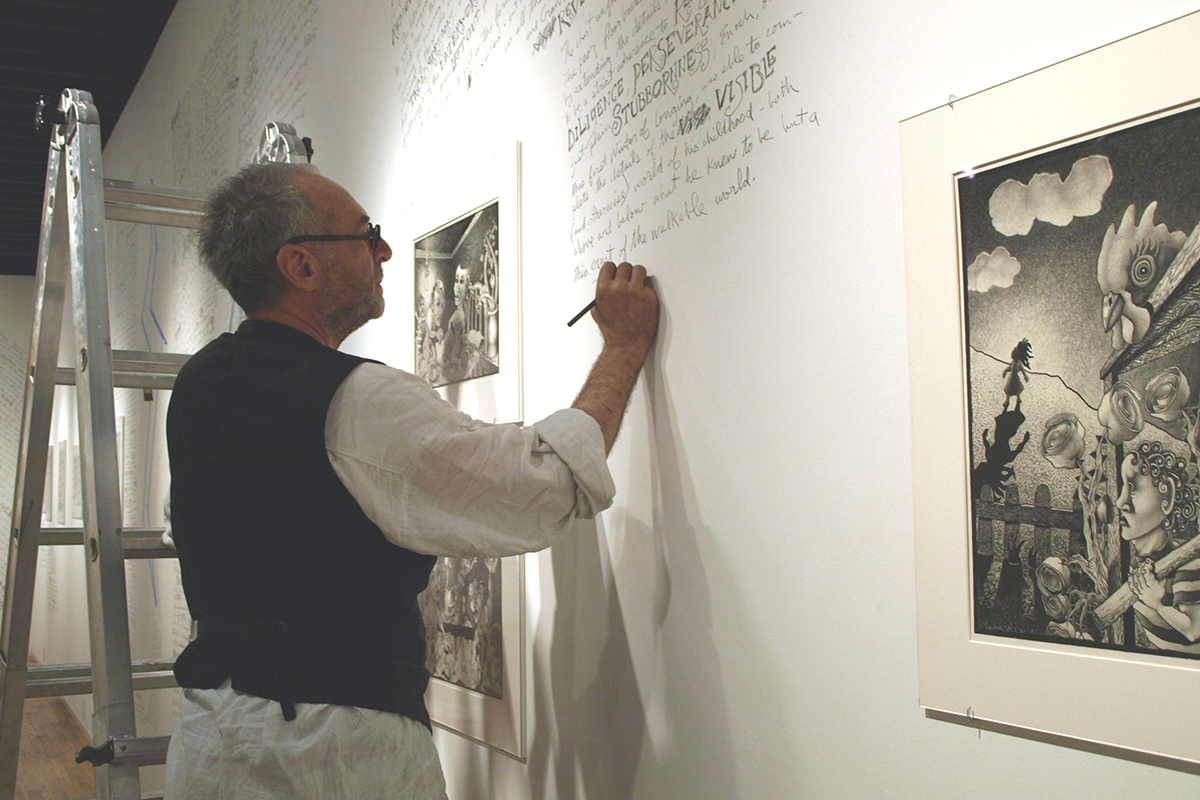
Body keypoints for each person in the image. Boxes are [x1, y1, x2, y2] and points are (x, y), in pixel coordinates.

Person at [163, 161, 658, 798]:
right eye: (365, 235)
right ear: (302, 267)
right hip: (324, 754)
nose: (386, 250)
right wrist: (621, 349)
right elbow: (544, 486)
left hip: (211, 740)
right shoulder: (356, 398)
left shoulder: (200, 383)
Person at [1116, 440, 1200, 653]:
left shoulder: (1188, 567)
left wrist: (1159, 604)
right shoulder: (1138, 564)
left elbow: (1194, 630)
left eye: (1133, 488)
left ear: (1168, 497)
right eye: (1122, 487)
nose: (1121, 502)